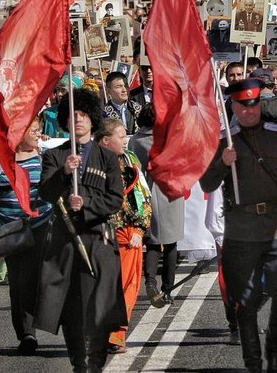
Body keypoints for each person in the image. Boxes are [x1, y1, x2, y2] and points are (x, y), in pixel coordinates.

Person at [200, 78, 277, 373]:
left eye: (254, 104)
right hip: (241, 229)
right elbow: (207, 182)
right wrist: (223, 163)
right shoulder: (225, 140)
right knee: (246, 301)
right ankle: (253, 362)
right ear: (234, 106)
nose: (250, 111)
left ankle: (273, 349)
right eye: (243, 105)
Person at [36, 89, 126, 373]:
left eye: (84, 115)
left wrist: (86, 203)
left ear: (92, 119)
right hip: (65, 241)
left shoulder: (107, 157)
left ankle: (95, 363)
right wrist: (63, 172)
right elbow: (46, 193)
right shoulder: (55, 155)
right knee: (71, 310)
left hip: (98, 240)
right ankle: (79, 363)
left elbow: (115, 199)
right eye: (73, 115)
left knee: (99, 307)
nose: (78, 119)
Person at [0, 118, 51, 355]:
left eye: (38, 129)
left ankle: (51, 318)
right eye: (33, 130)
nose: (38, 133)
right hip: (12, 232)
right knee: (19, 283)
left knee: (41, 281)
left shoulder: (45, 159)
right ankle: (27, 333)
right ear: (18, 134)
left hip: (43, 228)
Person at [96, 118, 152, 354]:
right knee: (107, 286)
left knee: (128, 285)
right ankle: (103, 332)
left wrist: (140, 229)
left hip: (129, 233)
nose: (126, 140)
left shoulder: (131, 160)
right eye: (121, 136)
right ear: (106, 140)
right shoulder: (91, 163)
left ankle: (116, 334)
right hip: (102, 234)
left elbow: (143, 196)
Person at [131, 104, 185, 319]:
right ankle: (168, 288)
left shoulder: (135, 139)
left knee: (152, 241)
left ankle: (150, 279)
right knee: (171, 242)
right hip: (169, 190)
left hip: (145, 191)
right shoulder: (167, 139)